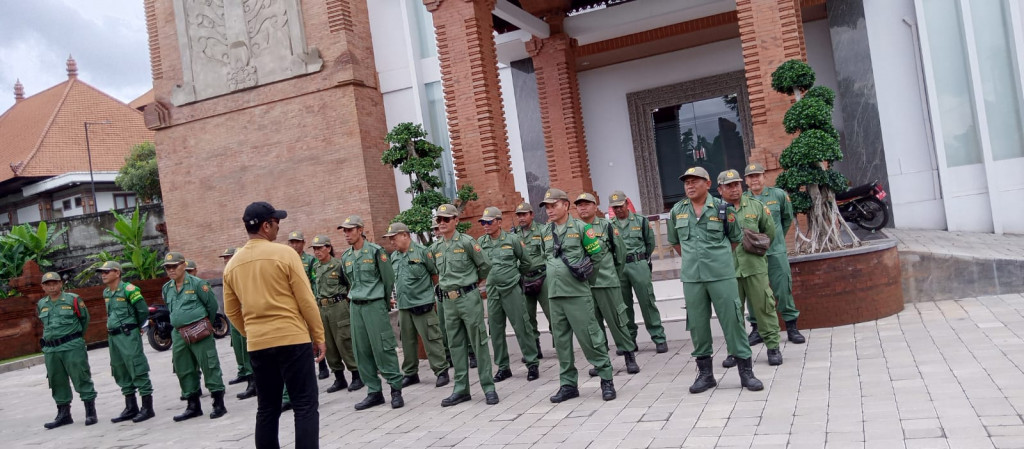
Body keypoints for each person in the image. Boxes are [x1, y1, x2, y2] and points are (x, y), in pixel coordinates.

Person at [223, 201, 326, 449]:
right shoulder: (285, 254)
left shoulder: (232, 265)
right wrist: (318, 335)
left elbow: (231, 311)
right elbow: (306, 300)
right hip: (292, 339)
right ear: (266, 226)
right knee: (304, 404)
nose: (278, 228)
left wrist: (251, 332)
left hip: (259, 344)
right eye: (276, 223)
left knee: (267, 408)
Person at [667, 167, 763, 394]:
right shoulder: (677, 211)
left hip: (721, 276)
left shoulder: (723, 209)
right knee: (698, 326)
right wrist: (695, 261)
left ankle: (746, 373)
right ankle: (706, 375)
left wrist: (715, 259)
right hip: (693, 278)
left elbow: (735, 239)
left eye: (695, 181)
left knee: (733, 322)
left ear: (708, 183)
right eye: (686, 182)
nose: (689, 186)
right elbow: (676, 242)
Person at [539, 189, 617, 403]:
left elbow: (598, 256)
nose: (549, 210)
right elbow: (545, 258)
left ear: (565, 205)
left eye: (553, 205)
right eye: (546, 206)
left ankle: (606, 379)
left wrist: (587, 282)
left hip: (577, 294)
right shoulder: (546, 231)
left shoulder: (582, 228)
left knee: (590, 337)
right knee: (561, 342)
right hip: (554, 295)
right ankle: (568, 384)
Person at [431, 203, 499, 407]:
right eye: (439, 220)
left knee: (478, 341)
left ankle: (488, 387)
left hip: (468, 297)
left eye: (446, 219)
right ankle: (461, 389)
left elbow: (485, 265)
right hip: (448, 302)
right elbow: (437, 272)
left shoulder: (468, 242)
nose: (441, 223)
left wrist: (472, 283)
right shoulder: (436, 248)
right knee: (455, 345)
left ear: (456, 221)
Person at [717, 170, 783, 367]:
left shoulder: (756, 206)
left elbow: (769, 232)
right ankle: (734, 351)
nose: (734, 188)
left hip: (754, 266)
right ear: (720, 189)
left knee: (765, 306)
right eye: (729, 186)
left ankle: (773, 347)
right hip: (727, 270)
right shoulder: (715, 211)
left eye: (736, 184)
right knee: (732, 313)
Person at [339, 215, 405, 410]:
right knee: (361, 350)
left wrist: (382, 304)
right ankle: (374, 391)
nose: (346, 234)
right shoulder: (346, 256)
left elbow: (387, 281)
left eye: (350, 230)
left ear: (360, 230)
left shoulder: (376, 252)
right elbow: (349, 283)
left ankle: (395, 389)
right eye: (344, 231)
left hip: (374, 304)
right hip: (355, 306)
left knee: (383, 347)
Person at [573, 193, 639, 375]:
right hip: (584, 286)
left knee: (617, 321)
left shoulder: (607, 227)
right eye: (579, 205)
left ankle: (628, 356)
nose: (583, 208)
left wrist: (612, 276)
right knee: (593, 326)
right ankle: (601, 362)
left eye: (587, 204)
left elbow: (621, 255)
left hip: (606, 282)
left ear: (595, 207)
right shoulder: (574, 229)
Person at [743, 163, 806, 344]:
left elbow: (787, 219)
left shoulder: (778, 195)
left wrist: (775, 239)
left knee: (783, 289)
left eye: (758, 175)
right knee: (754, 293)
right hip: (752, 255)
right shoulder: (743, 199)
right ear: (746, 180)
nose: (754, 179)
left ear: (764, 176)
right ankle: (757, 329)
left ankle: (792, 327)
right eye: (750, 176)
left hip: (776, 251)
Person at [162, 252, 228, 421]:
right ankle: (192, 405)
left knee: (209, 364)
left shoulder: (198, 284)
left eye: (174, 266)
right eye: (167, 267)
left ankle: (218, 402)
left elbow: (212, 306)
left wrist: (205, 325)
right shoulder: (167, 288)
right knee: (183, 368)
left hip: (199, 331)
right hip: (178, 334)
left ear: (183, 265)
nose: (171, 270)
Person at [476, 207, 540, 382]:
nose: (486, 226)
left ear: (498, 221)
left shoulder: (512, 240)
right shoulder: (481, 242)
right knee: (495, 330)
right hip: (493, 291)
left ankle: (532, 363)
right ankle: (503, 367)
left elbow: (527, 262)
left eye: (489, 222)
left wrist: (515, 275)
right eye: (483, 222)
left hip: (512, 289)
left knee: (522, 327)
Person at [384, 222, 451, 388]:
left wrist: (428, 295)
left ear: (405, 235)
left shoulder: (423, 253)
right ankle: (411, 373)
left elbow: (435, 275)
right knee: (407, 341)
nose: (391, 241)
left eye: (394, 238)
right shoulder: (394, 257)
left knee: (431, 339)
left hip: (423, 304)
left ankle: (441, 371)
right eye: (389, 239)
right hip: (404, 306)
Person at [608, 190, 668, 353]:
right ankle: (629, 340)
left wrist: (642, 259)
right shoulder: (609, 225)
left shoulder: (640, 221)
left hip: (638, 263)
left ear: (627, 204)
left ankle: (658, 338)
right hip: (619, 268)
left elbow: (650, 243)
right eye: (615, 207)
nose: (618, 210)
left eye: (621, 206)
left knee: (647, 302)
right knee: (623, 306)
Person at [37, 272, 98, 429]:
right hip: (51, 349)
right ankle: (64, 414)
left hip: (71, 346)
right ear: (43, 287)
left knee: (81, 376)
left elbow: (85, 319)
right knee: (56, 381)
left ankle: (90, 412)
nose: (52, 286)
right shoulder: (42, 304)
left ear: (60, 284)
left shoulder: (73, 299)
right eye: (48, 284)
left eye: (55, 283)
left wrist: (76, 338)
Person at [99, 261, 155, 423]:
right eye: (101, 272)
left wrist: (135, 327)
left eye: (106, 271)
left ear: (117, 273)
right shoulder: (107, 293)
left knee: (136, 366)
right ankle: (131, 407)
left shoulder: (129, 290)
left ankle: (147, 407)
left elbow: (142, 311)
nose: (103, 274)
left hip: (128, 333)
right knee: (119, 368)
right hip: (113, 337)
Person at [309, 235, 363, 393]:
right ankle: (339, 378)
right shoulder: (316, 268)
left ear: (328, 248)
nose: (317, 251)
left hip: (338, 307)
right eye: (315, 249)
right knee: (329, 344)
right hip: (323, 308)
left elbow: (350, 285)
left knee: (344, 341)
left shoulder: (339, 265)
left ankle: (356, 375)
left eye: (320, 248)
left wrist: (346, 302)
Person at [287, 231, 332, 380]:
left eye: (297, 242)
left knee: (315, 333)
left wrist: (314, 300)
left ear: (303, 243)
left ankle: (322, 365)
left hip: (309, 301)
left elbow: (315, 281)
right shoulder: (287, 261)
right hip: (294, 305)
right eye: (292, 242)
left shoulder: (310, 261)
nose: (294, 245)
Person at [512, 202, 548, 359]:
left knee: (552, 314)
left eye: (524, 214)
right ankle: (535, 348)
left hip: (543, 276)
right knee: (528, 317)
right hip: (524, 280)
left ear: (532, 215)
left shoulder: (542, 230)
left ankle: (561, 346)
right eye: (518, 215)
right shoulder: (513, 235)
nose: (521, 218)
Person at [221, 247, 257, 400]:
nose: (226, 261)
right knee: (241, 349)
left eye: (229, 257)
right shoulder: (230, 274)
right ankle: (248, 377)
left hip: (248, 316)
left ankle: (253, 383)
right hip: (237, 316)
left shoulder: (247, 274)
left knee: (249, 351)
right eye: (225, 258)